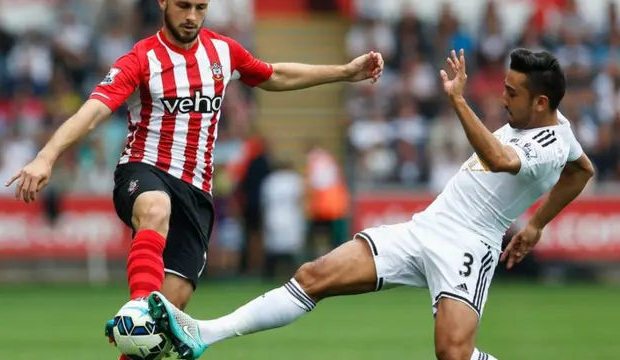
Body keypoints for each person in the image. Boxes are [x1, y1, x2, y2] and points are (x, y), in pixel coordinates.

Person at [144, 48, 596, 360]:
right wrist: (535, 225)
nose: (502, 98)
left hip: (469, 245)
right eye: (505, 86)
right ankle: (204, 333)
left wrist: (458, 100)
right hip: (427, 227)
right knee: (312, 275)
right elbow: (584, 171)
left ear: (540, 102)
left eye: (512, 93)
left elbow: (499, 159)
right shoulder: (563, 133)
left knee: (452, 353)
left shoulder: (552, 144)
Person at [3, 0, 384, 358]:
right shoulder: (140, 59)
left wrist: (346, 72)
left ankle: (139, 323)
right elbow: (93, 111)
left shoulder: (223, 52)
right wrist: (46, 157)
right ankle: (138, 305)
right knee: (155, 208)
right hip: (143, 169)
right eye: (183, 5)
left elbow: (274, 74)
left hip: (197, 193)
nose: (191, 15)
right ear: (163, 3)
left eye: (200, 7)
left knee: (167, 318)